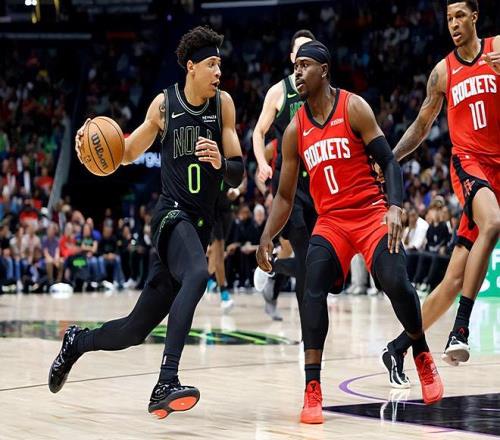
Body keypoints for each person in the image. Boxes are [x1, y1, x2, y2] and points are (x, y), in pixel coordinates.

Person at [48, 26, 244, 419]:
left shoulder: (223, 105)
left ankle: (76, 341)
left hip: (198, 229)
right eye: (211, 64)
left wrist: (221, 163)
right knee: (198, 275)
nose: (218, 72)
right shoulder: (164, 106)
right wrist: (95, 146)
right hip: (170, 216)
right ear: (191, 67)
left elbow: (238, 172)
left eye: (219, 64)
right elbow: (126, 151)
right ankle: (166, 381)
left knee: (135, 330)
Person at [256, 41, 443, 424]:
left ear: (323, 70)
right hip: (332, 222)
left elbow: (389, 161)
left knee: (396, 282)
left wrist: (395, 205)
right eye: (295, 67)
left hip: (370, 213)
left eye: (305, 66)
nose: (297, 73)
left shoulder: (353, 107)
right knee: (312, 284)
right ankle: (312, 387)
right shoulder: (294, 129)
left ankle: (421, 353)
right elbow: (285, 196)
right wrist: (266, 235)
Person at [382, 0, 500, 387]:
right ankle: (460, 330)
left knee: (452, 281)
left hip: (498, 172)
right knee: (493, 222)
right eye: (449, 18)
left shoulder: (497, 48)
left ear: (475, 17)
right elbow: (421, 125)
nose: (453, 24)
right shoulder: (442, 72)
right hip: (469, 164)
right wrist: (390, 158)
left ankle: (397, 347)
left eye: (460, 16)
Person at [252, 30, 317, 315]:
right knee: (303, 252)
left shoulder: (322, 92)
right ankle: (309, 329)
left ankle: (272, 265)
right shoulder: (279, 92)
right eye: (299, 51)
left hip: (315, 182)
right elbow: (258, 132)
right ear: (292, 57)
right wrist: (261, 163)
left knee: (315, 258)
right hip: (288, 184)